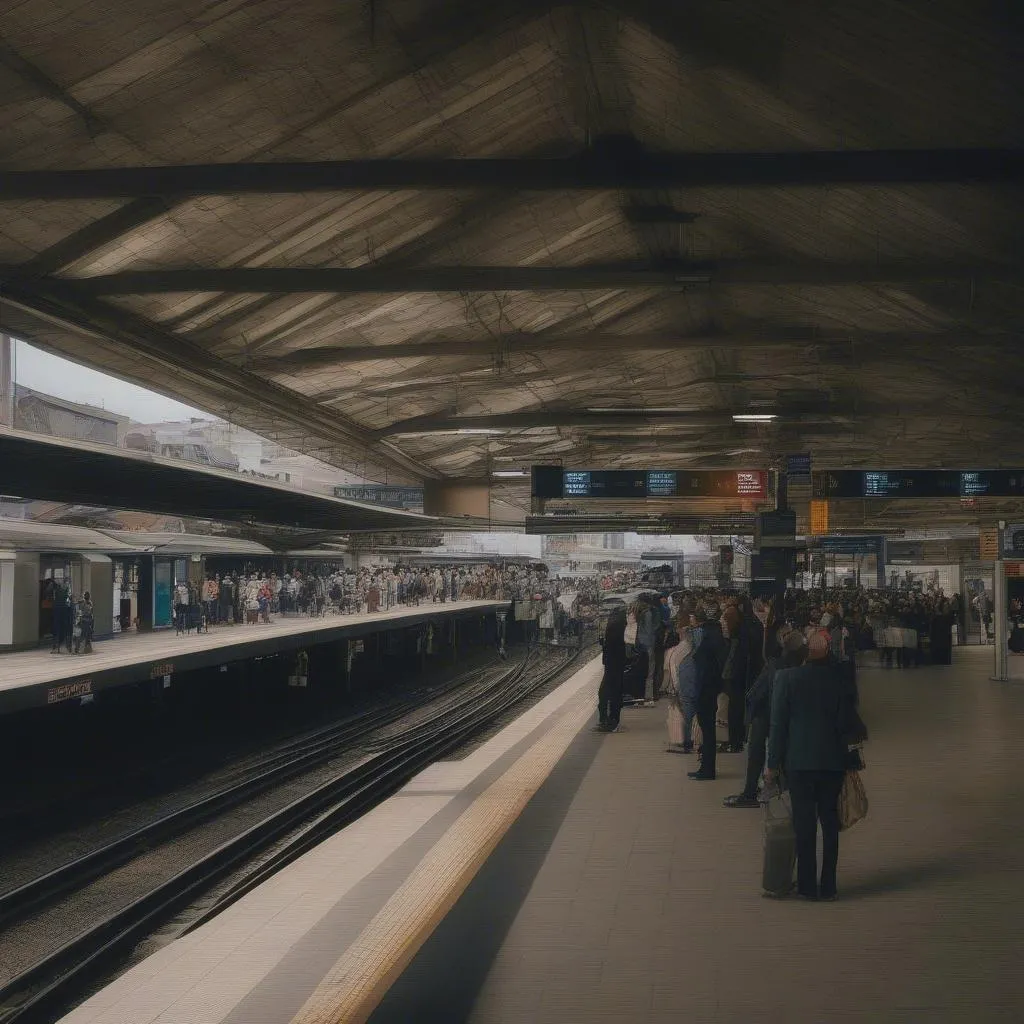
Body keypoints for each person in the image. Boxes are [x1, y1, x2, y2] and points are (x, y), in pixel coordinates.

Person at [765, 631, 857, 900]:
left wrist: (772, 764)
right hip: (832, 761)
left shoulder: (787, 679)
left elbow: (778, 725)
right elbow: (847, 723)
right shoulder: (840, 680)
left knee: (804, 824)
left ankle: (807, 885)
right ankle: (828, 884)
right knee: (830, 821)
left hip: (799, 761)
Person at [723, 627, 807, 808]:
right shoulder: (802, 671)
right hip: (788, 720)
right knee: (783, 754)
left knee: (756, 754)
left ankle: (750, 793)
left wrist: (750, 717)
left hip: (764, 714)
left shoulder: (774, 666)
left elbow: (754, 693)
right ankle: (781, 791)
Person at [689, 607, 724, 781]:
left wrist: (697, 695)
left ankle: (708, 769)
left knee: (708, 732)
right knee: (708, 732)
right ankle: (705, 767)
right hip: (710, 690)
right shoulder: (714, 636)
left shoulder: (707, 640)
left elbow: (702, 670)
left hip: (705, 692)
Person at [597, 605, 627, 733]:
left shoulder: (615, 626)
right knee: (610, 693)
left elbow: (611, 645)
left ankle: (610, 721)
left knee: (607, 693)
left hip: (613, 664)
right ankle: (609, 720)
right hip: (615, 664)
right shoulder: (620, 624)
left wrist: (604, 642)